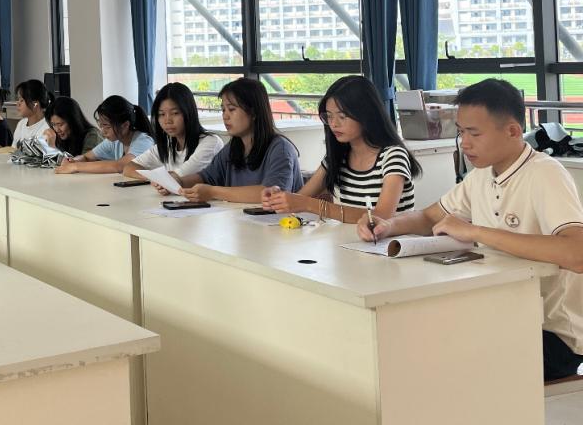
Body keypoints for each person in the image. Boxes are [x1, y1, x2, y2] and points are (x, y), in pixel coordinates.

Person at [356, 79, 583, 381]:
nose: (464, 143)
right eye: (461, 132)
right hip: (501, 314)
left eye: (474, 133)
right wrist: (389, 224)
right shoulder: (482, 175)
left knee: (440, 362)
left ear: (513, 131)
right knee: (411, 337)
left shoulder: (545, 174)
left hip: (553, 333)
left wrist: (476, 232)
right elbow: (429, 217)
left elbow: (576, 253)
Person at [264, 75, 420, 222]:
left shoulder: (393, 156)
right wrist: (279, 198)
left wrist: (310, 205)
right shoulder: (338, 157)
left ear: (366, 115)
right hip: (347, 240)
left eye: (342, 116)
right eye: (329, 116)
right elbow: (300, 198)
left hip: (390, 241)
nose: (334, 124)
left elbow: (381, 217)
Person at [160, 78, 301, 202]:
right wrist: (177, 182)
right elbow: (206, 177)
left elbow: (270, 194)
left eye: (231, 109)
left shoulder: (280, 149)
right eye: (223, 110)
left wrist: (213, 192)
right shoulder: (233, 147)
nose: (225, 116)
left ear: (254, 112)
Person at [128, 83, 222, 181]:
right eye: (162, 114)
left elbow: (178, 177)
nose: (167, 121)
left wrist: (159, 178)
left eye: (175, 113)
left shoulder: (211, 142)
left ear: (189, 112)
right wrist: (154, 178)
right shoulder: (168, 145)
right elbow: (129, 167)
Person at [57, 95, 154, 175]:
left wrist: (75, 166)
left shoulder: (143, 141)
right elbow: (86, 157)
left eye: (107, 126)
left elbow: (119, 166)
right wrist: (73, 161)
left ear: (125, 125)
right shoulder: (116, 140)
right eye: (101, 126)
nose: (103, 132)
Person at [12, 79, 53, 145]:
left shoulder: (47, 128)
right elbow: (14, 149)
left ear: (35, 104)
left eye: (21, 100)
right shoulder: (21, 124)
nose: (18, 104)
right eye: (18, 100)